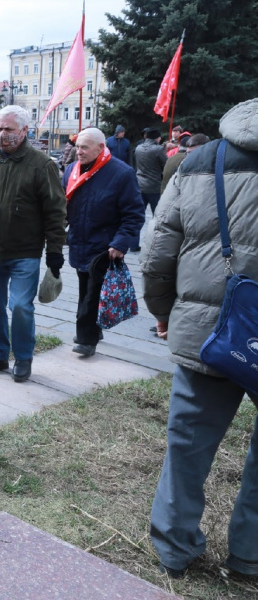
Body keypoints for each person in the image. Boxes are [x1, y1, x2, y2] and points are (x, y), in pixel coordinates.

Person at [142, 97, 258, 580]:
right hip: (212, 321)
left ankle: (175, 547)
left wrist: (164, 312)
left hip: (209, 325)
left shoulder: (199, 161)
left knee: (187, 442)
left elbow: (158, 251)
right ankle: (250, 554)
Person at [0, 105, 67, 382]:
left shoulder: (41, 165)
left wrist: (55, 252)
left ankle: (23, 358)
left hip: (25, 251)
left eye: (8, 129)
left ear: (24, 131)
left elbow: (55, 212)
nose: (2, 134)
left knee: (21, 306)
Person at [62, 128, 145, 357]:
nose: (78, 152)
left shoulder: (121, 173)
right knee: (85, 289)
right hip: (79, 241)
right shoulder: (71, 169)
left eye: (84, 147)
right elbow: (63, 202)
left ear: (101, 148)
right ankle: (94, 330)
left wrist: (120, 243)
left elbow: (134, 213)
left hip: (105, 246)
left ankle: (86, 340)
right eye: (77, 146)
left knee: (92, 293)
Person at [135, 128, 167, 216]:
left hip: (140, 185)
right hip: (154, 186)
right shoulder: (159, 149)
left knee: (138, 214)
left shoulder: (138, 148)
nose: (160, 139)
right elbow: (166, 164)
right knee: (157, 215)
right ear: (156, 138)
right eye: (159, 137)